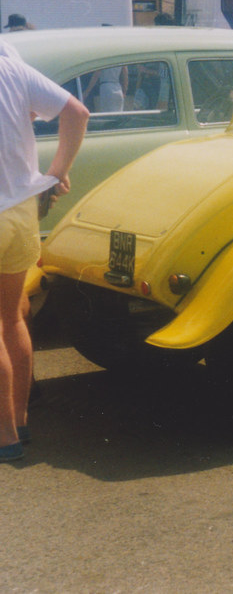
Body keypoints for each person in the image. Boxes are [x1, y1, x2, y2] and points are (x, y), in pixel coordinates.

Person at [0, 39, 89, 461]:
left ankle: (4, 440)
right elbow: (77, 112)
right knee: (12, 317)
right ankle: (19, 422)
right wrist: (56, 174)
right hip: (20, 214)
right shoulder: (13, 68)